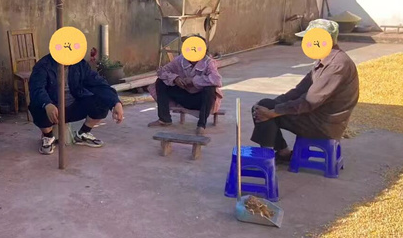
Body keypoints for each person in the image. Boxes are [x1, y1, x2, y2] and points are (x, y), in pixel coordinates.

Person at [250, 19, 359, 162]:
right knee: (263, 106)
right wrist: (274, 104)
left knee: (265, 112)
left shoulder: (336, 65)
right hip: (317, 115)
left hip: (324, 124)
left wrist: (273, 112)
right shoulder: (325, 59)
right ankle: (281, 152)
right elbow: (299, 90)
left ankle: (268, 158)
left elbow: (309, 102)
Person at [28, 53, 124, 155]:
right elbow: (37, 89)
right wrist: (47, 104)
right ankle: (48, 136)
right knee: (37, 104)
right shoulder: (43, 65)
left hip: (74, 105)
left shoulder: (80, 64)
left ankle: (83, 133)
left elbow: (98, 84)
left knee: (102, 100)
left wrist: (116, 102)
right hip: (53, 109)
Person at [147, 35, 223, 135]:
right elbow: (162, 72)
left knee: (210, 89)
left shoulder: (209, 63)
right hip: (183, 96)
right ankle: (164, 119)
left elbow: (217, 80)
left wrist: (193, 80)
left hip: (200, 100)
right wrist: (175, 78)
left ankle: (201, 125)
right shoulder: (180, 60)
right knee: (161, 82)